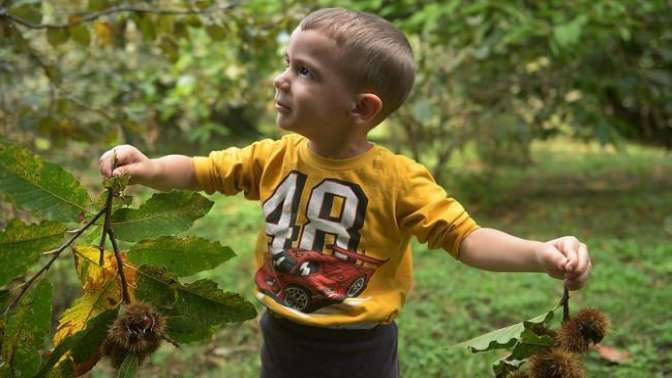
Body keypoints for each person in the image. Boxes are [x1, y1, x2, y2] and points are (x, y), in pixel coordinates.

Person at [98, 7, 592, 378]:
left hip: (360, 349)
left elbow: (465, 238)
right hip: (281, 331)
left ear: (361, 107)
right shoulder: (274, 156)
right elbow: (202, 170)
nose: (282, 78)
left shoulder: (399, 180)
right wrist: (147, 167)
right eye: (287, 63)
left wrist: (540, 253)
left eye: (305, 71)